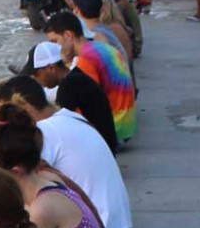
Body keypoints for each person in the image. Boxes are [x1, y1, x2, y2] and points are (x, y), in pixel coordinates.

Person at [0, 72, 130, 228]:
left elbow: (18, 183)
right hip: (116, 224)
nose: (4, 123)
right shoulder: (69, 117)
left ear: (26, 106)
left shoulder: (44, 132)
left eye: (6, 113)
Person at [44, 9, 137, 145]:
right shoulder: (100, 48)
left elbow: (86, 103)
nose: (54, 47)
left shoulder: (86, 59)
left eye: (55, 40)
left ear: (69, 35)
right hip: (125, 124)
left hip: (114, 129)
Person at [27, 40, 118, 153]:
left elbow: (58, 127)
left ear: (51, 68)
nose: (36, 80)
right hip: (106, 145)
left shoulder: (68, 87)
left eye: (36, 74)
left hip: (98, 149)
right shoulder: (77, 76)